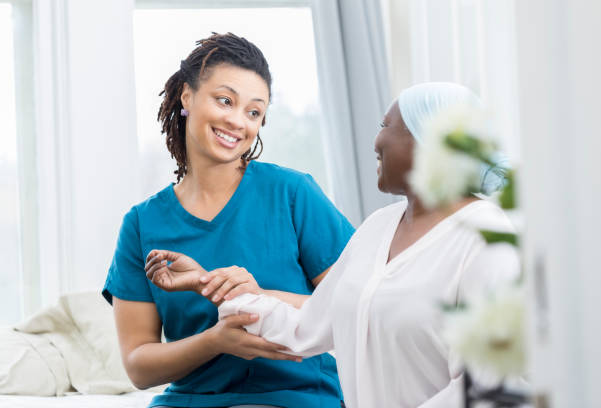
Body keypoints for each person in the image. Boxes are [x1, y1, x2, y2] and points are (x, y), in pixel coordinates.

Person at [146, 82, 520, 407]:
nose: (376, 142)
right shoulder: (378, 228)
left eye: (386, 126)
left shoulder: (487, 240)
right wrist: (207, 283)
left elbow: (490, 387)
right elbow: (304, 328)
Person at [103, 33, 354, 408]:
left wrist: (258, 298)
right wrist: (215, 340)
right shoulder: (142, 224)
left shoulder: (292, 194)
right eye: (225, 101)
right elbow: (139, 366)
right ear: (187, 96)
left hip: (299, 398)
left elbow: (358, 308)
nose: (238, 122)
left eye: (254, 112)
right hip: (192, 401)